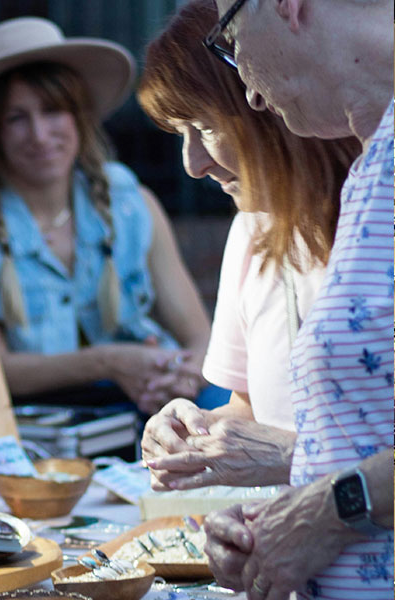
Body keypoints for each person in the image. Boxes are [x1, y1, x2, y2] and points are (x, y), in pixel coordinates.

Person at [0, 17, 219, 417]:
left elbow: (201, 337)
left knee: (224, 398)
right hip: (33, 418)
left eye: (53, 111)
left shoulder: (130, 202)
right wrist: (109, 362)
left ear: (80, 116)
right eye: (16, 118)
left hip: (145, 396)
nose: (40, 135)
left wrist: (183, 377)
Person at [198, 0, 394, 598]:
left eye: (228, 36)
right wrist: (274, 526)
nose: (250, 95)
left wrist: (327, 513)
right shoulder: (372, 163)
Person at [135, 0, 359, 491]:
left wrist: (291, 458)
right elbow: (254, 409)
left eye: (206, 126)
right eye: (180, 133)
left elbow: (285, 444)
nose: (193, 163)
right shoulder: (252, 232)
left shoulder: (375, 214)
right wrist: (194, 430)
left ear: (264, 97)